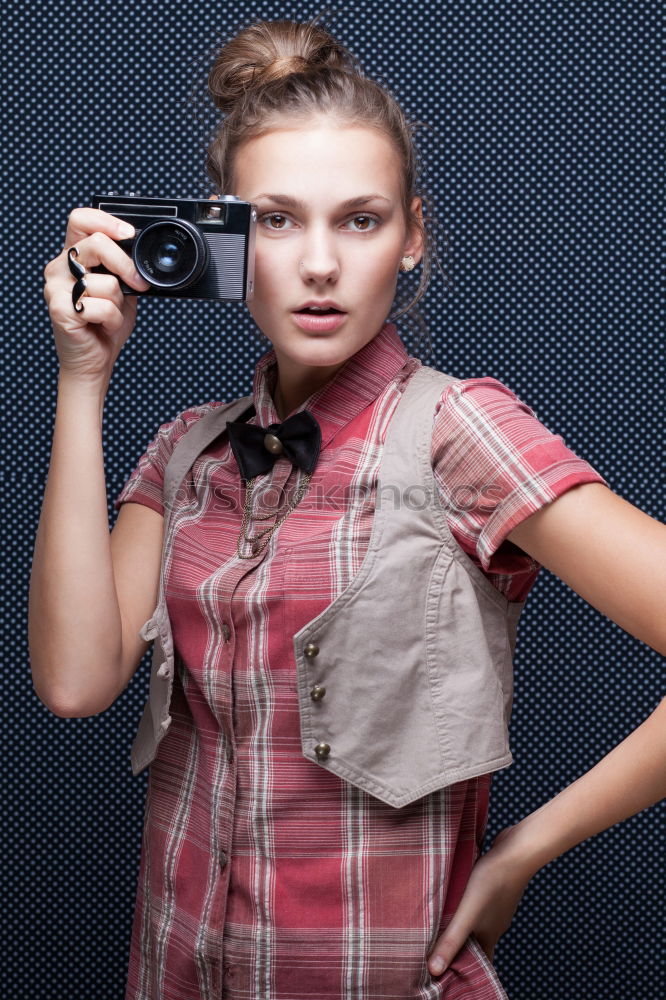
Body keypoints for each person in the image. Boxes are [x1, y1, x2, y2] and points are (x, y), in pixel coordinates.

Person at [30, 16, 665, 1000]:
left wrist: (523, 851)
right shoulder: (186, 449)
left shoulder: (460, 430)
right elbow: (75, 681)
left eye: (359, 220)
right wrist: (83, 380)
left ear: (412, 234)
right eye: (277, 221)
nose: (320, 263)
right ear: (226, 240)